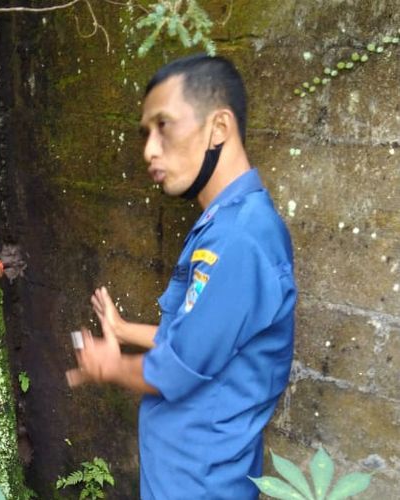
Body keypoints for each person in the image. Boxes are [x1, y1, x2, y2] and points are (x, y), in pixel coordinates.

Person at [66, 54, 297, 499]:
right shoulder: (222, 225)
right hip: (182, 474)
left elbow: (176, 370)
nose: (149, 149)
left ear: (219, 128)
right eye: (145, 133)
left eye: (164, 126)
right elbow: (203, 340)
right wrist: (123, 330)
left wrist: (108, 365)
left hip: (202, 484)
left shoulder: (240, 239)